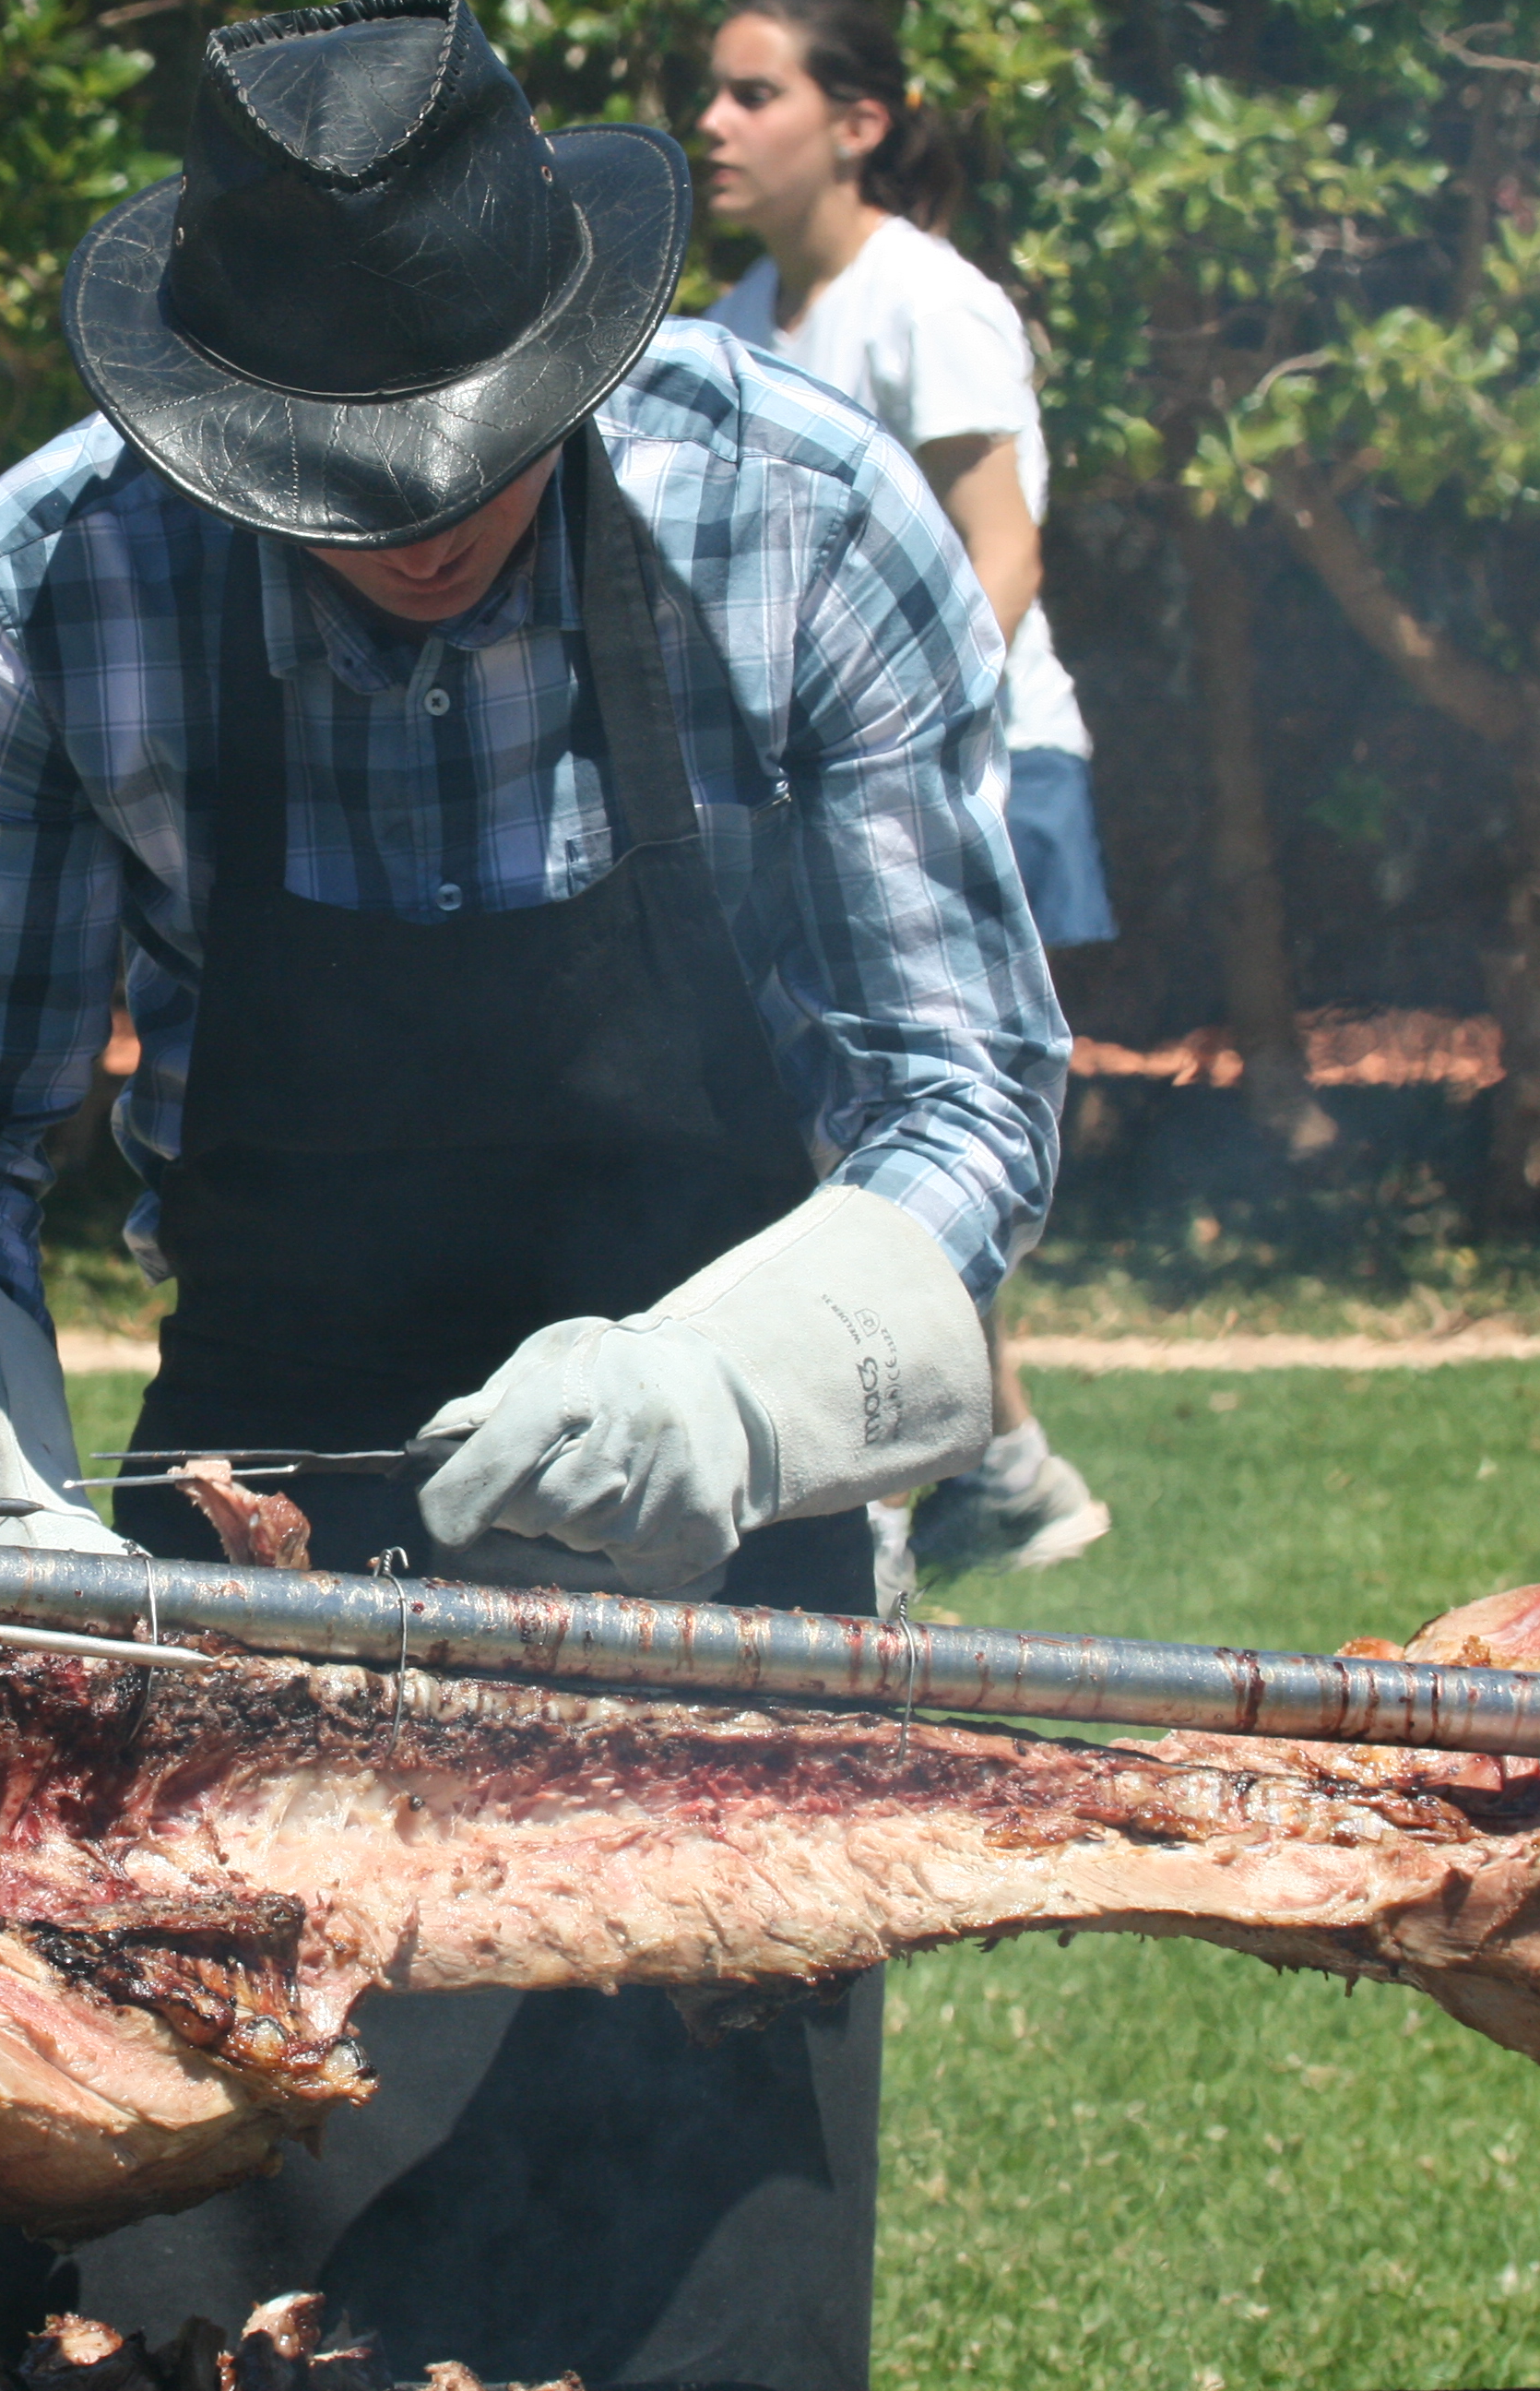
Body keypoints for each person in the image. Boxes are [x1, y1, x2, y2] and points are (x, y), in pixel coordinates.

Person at [0, 5, 1063, 2385]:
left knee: (684, 2327)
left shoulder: (805, 516)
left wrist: (723, 1389)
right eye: (337, 469)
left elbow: (963, 1093)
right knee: (164, 2331)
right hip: (252, 1537)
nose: (416, 516)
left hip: (727, 1561)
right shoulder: (53, 582)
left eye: (469, 443)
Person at [697, 0, 1111, 1588]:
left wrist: (869, 742)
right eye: (714, 95)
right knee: (841, 1136)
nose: (716, 125)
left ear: (857, 123)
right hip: (811, 794)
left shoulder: (927, 303)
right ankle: (994, 1462)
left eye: (757, 94)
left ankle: (921, 1476)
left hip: (976, 775)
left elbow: (1002, 554)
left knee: (906, 1129)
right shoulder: (739, 321)